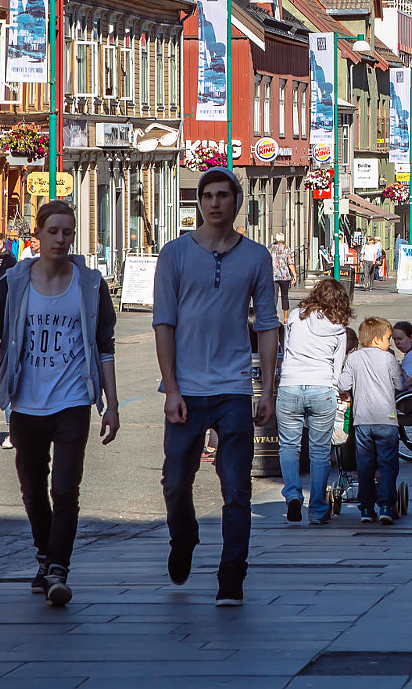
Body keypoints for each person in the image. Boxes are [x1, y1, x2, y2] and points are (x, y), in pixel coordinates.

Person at [0, 200, 120, 607]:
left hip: (73, 399)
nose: (60, 239)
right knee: (31, 488)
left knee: (65, 488)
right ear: (37, 236)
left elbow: (105, 347)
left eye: (68, 232)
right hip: (25, 402)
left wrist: (111, 403)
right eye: (53, 231)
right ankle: (45, 556)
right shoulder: (12, 283)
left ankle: (58, 569)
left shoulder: (91, 284)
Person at [152, 168, 280, 607]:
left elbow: (267, 325)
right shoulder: (174, 255)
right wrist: (170, 388)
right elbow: (163, 323)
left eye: (223, 195)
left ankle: (231, 576)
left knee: (237, 487)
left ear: (236, 202)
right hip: (186, 388)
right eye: (207, 196)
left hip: (233, 388)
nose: (214, 203)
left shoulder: (257, 258)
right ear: (199, 202)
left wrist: (268, 390)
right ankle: (183, 537)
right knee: (175, 482)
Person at [275, 277, 350, 526]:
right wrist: (339, 390)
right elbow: (338, 367)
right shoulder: (339, 327)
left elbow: (286, 349)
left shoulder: (296, 316)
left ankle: (293, 495)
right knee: (320, 453)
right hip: (322, 388)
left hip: (290, 385)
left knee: (289, 447)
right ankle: (317, 509)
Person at [339, 317, 409, 524]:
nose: (390, 343)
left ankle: (366, 509)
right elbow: (401, 384)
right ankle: (386, 505)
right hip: (387, 419)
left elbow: (343, 383)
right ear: (377, 340)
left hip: (362, 421)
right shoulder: (388, 359)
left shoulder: (354, 359)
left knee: (365, 466)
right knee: (387, 464)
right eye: (388, 339)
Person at [269, 233, 294, 317]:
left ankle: (272, 315)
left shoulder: (270, 248)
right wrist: (294, 274)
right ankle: (286, 317)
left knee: (273, 296)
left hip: (273, 275)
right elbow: (290, 262)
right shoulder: (286, 248)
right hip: (285, 275)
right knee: (285, 296)